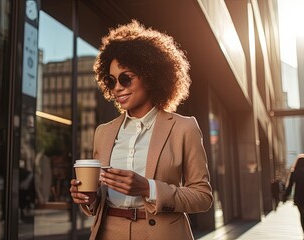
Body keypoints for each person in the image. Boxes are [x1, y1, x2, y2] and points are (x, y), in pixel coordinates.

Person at [69, 20, 213, 240]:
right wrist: (89, 199)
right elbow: (99, 198)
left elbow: (202, 197)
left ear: (151, 75)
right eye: (111, 80)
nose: (117, 87)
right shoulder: (103, 133)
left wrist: (149, 188)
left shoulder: (184, 127)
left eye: (125, 78)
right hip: (109, 232)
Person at [283, 153, 304, 240]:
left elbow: (290, 186)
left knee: (302, 216)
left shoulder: (294, 173)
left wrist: (285, 196)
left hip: (299, 198)